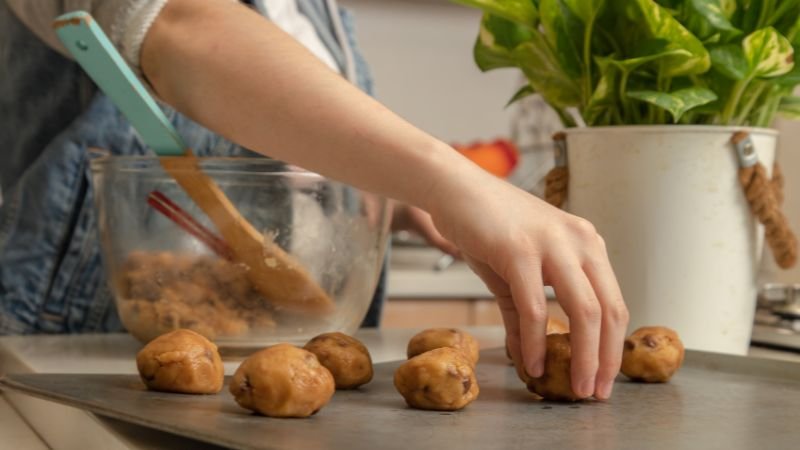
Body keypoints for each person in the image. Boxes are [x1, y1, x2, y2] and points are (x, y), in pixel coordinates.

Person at [0, 0, 629, 400]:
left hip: (286, 369)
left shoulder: (318, 10)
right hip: (77, 368)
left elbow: (306, 163)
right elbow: (178, 27)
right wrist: (452, 177)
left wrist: (406, 203)